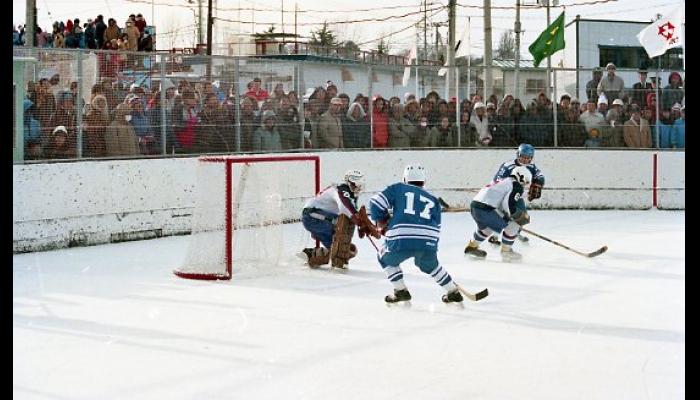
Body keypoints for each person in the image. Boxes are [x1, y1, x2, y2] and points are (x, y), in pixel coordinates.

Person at [369, 164, 464, 304]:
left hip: (402, 238)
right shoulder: (433, 199)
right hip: (429, 239)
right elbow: (437, 226)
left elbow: (375, 203)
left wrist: (382, 220)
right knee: (431, 265)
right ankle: (452, 291)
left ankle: (400, 290)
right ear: (424, 181)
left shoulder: (398, 188)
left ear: (404, 178)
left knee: (383, 257)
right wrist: (428, 244)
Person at [298, 170, 376, 269]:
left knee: (343, 249)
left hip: (321, 219)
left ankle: (311, 256)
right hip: (311, 215)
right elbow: (345, 207)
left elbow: (351, 213)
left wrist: (361, 224)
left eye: (360, 186)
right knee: (343, 224)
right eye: (356, 185)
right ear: (349, 183)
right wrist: (360, 222)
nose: (358, 188)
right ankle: (337, 261)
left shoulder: (351, 194)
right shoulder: (341, 189)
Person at [464, 166, 532, 261]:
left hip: (475, 206)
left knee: (488, 228)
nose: (525, 185)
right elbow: (508, 204)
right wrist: (517, 216)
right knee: (513, 225)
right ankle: (506, 252)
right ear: (521, 176)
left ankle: (471, 247)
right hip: (488, 209)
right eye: (526, 181)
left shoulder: (504, 181)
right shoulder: (516, 185)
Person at [486, 144, 545, 244]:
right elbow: (498, 181)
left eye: (528, 158)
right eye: (523, 157)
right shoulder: (508, 166)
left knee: (522, 215)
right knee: (503, 215)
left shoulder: (531, 166)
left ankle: (515, 232)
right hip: (502, 194)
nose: (525, 160)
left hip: (517, 195)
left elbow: (540, 176)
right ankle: (495, 236)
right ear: (518, 154)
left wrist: (538, 184)